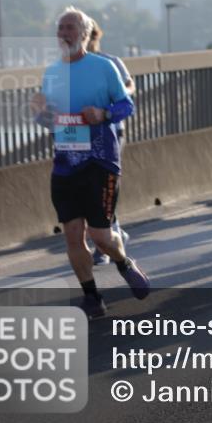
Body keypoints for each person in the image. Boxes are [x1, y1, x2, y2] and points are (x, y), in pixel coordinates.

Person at [30, 7, 149, 318]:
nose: (63, 33)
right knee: (71, 233)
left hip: (100, 161)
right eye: (60, 28)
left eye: (69, 28)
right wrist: (39, 112)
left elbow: (127, 105)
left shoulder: (104, 67)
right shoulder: (51, 73)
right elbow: (49, 121)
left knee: (100, 235)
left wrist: (104, 114)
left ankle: (124, 262)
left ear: (83, 34)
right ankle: (92, 296)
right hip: (65, 163)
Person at [86, 19, 134, 263]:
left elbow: (128, 87)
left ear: (95, 36)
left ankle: (103, 242)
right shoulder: (69, 67)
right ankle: (113, 233)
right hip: (81, 136)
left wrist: (107, 106)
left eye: (90, 36)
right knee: (86, 188)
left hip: (111, 132)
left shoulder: (110, 62)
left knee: (102, 184)